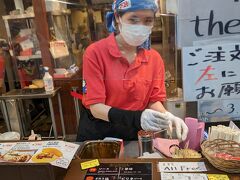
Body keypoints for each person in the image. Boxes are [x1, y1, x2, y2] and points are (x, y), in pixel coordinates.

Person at [77, 0, 188, 142]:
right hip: (100, 135)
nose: (140, 27)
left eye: (147, 21)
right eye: (133, 20)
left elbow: (153, 101)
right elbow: (96, 108)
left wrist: (167, 116)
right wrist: (138, 118)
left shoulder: (154, 59)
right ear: (117, 17)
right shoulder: (95, 53)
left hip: (134, 136)